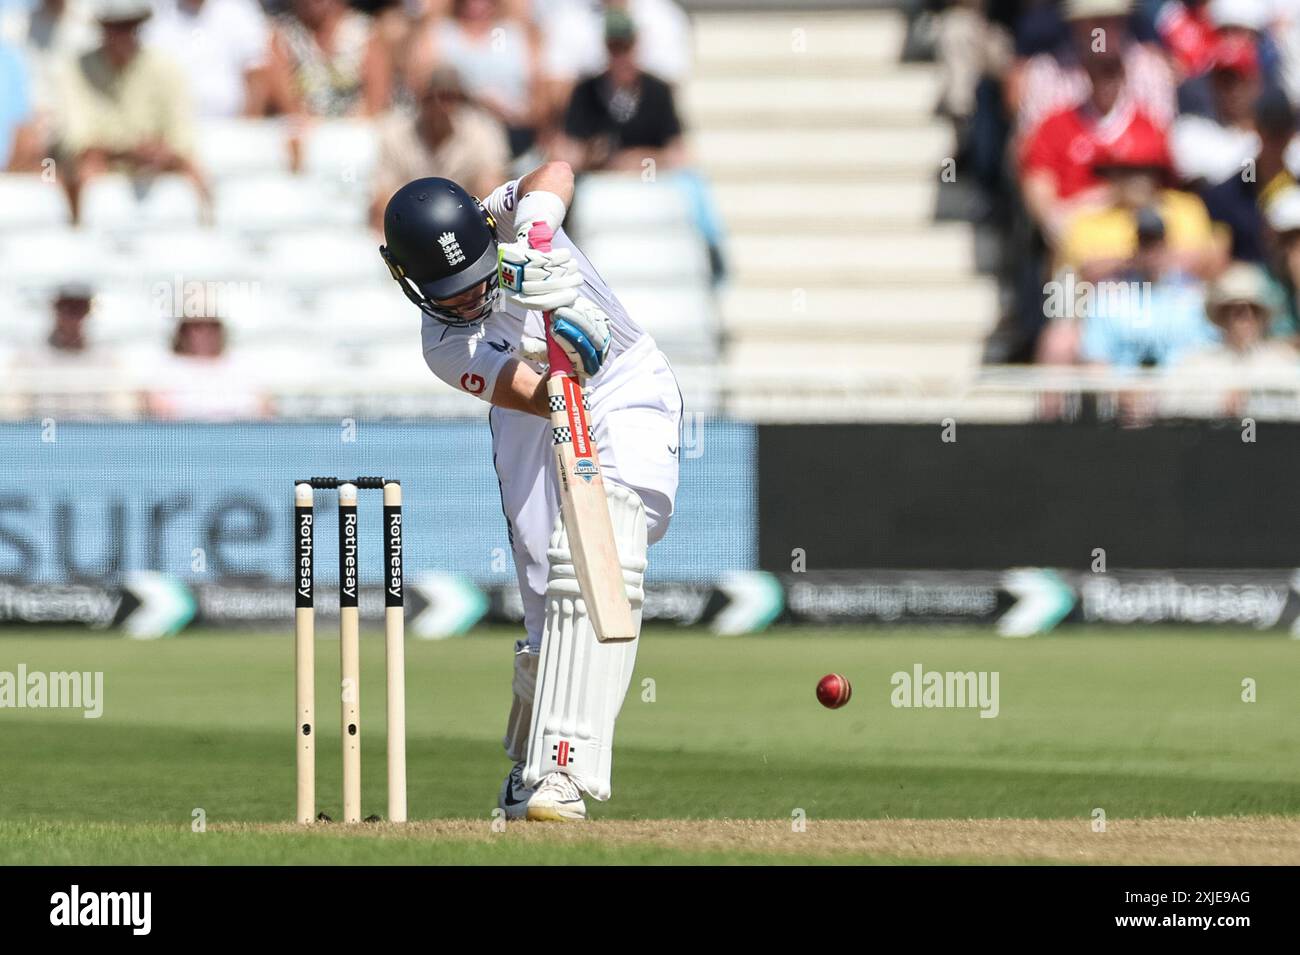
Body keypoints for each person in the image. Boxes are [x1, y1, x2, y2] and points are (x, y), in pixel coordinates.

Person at [378, 163, 682, 820]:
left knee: (616, 532)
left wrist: (540, 226)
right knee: (551, 594)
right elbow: (539, 395)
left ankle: (560, 771)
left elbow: (557, 169)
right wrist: (572, 349)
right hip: (537, 409)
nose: (474, 299)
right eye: (453, 294)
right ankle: (531, 766)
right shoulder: (445, 344)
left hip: (624, 383)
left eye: (482, 278)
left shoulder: (506, 214)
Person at [57, 0, 205, 216]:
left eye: (129, 25)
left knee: (194, 172)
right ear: (103, 28)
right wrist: (127, 151)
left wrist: (161, 152)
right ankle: (80, 240)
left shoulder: (166, 68)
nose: (122, 35)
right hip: (105, 165)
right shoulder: (76, 69)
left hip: (159, 166)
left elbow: (183, 138)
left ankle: (205, 237)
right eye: (115, 26)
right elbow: (76, 140)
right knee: (81, 172)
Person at [369, 67, 508, 232]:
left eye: (449, 98)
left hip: (463, 222)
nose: (440, 106)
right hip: (409, 224)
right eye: (432, 98)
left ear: (460, 101)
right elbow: (382, 198)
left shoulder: (482, 132)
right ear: (421, 100)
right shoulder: (395, 132)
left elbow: (491, 189)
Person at [552, 9, 684, 173]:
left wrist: (640, 159)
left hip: (650, 182)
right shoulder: (586, 92)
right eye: (615, 49)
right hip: (598, 185)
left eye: (627, 48)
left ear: (637, 47)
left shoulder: (658, 91)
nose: (622, 58)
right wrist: (591, 155)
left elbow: (678, 152)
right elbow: (567, 151)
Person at [144, 0, 272, 118]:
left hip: (234, 126)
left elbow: (257, 73)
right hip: (178, 127)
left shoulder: (237, 10)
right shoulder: (157, 17)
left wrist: (247, 125)